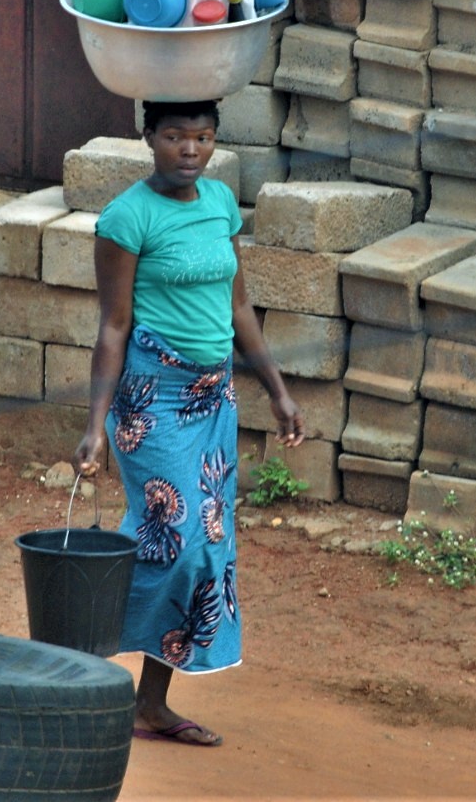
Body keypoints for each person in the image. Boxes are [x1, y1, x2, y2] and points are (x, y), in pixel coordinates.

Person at [73, 97, 304, 748]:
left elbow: (238, 306)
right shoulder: (126, 218)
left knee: (204, 549)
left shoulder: (221, 203)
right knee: (174, 537)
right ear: (148, 136)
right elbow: (113, 326)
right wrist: (95, 425)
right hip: (152, 402)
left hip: (214, 399)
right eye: (175, 135)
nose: (189, 150)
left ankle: (149, 700)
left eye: (202, 137)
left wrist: (278, 392)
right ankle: (77, 665)